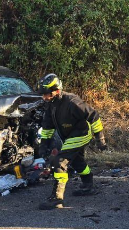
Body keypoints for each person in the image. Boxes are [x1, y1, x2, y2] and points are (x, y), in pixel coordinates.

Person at [37, 73, 106, 210]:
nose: (44, 97)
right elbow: (48, 125)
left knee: (60, 161)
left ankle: (57, 198)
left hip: (81, 133)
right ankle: (88, 185)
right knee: (77, 161)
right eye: (43, 94)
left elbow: (93, 115)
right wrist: (44, 144)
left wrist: (100, 138)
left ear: (56, 91)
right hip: (68, 136)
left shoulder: (72, 102)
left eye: (47, 94)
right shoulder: (51, 104)